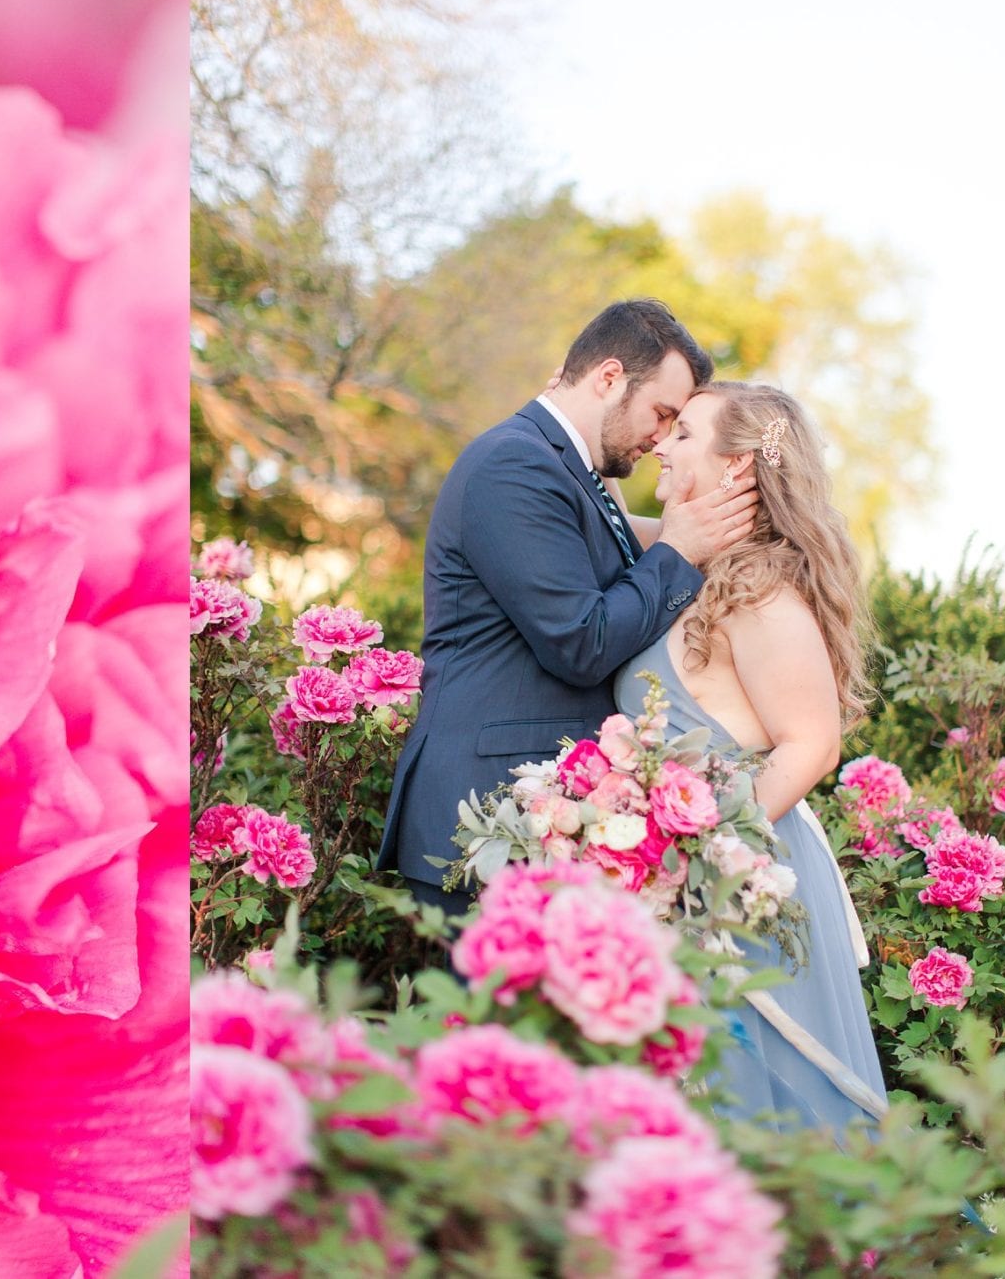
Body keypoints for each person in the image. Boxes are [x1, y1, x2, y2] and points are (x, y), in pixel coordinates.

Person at [376, 299, 758, 915]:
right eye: (661, 414)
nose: (661, 437)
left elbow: (618, 552)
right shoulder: (515, 464)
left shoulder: (566, 469)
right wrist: (682, 545)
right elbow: (583, 641)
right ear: (608, 378)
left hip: (532, 820)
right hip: (485, 815)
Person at [612, 381, 889, 1132]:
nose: (661, 445)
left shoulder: (761, 593)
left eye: (684, 433)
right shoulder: (686, 566)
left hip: (740, 876)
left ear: (737, 467)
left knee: (757, 1111)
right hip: (678, 874)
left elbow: (813, 743)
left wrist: (702, 851)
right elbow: (591, 518)